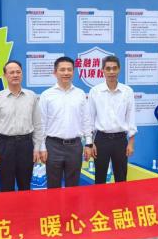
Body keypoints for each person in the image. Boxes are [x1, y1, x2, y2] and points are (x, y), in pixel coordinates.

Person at [0, 60, 42, 192]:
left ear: (22, 74)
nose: (15, 75)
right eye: (11, 72)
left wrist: (37, 148)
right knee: (6, 186)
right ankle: (7, 207)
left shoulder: (31, 96)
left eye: (18, 72)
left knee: (25, 185)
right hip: (5, 145)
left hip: (26, 144)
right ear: (5, 75)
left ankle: (25, 206)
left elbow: (37, 124)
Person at [85, 55, 137, 184]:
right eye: (108, 68)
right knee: (100, 178)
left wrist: (131, 142)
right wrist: (90, 143)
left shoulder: (127, 91)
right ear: (103, 70)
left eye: (114, 68)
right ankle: (100, 199)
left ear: (119, 69)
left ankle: (121, 198)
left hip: (120, 140)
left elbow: (131, 118)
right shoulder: (95, 91)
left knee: (121, 178)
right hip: (101, 140)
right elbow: (89, 119)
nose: (111, 72)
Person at [39, 56, 89, 188]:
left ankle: (71, 204)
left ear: (73, 72)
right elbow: (41, 123)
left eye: (69, 69)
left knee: (73, 186)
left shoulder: (80, 94)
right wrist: (42, 147)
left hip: (75, 146)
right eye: (62, 70)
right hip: (53, 146)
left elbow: (86, 120)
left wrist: (89, 143)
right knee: (53, 186)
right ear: (55, 72)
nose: (66, 73)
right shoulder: (47, 95)